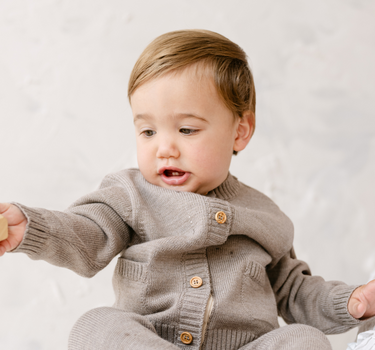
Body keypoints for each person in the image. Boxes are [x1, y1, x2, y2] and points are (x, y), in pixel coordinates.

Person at [0, 29, 374, 350]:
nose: (165, 147)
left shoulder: (265, 215)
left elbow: (295, 292)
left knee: (305, 340)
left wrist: (351, 302)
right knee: (95, 325)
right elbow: (86, 233)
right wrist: (30, 227)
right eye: (148, 131)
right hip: (153, 336)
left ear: (240, 131)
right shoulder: (129, 195)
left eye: (186, 130)